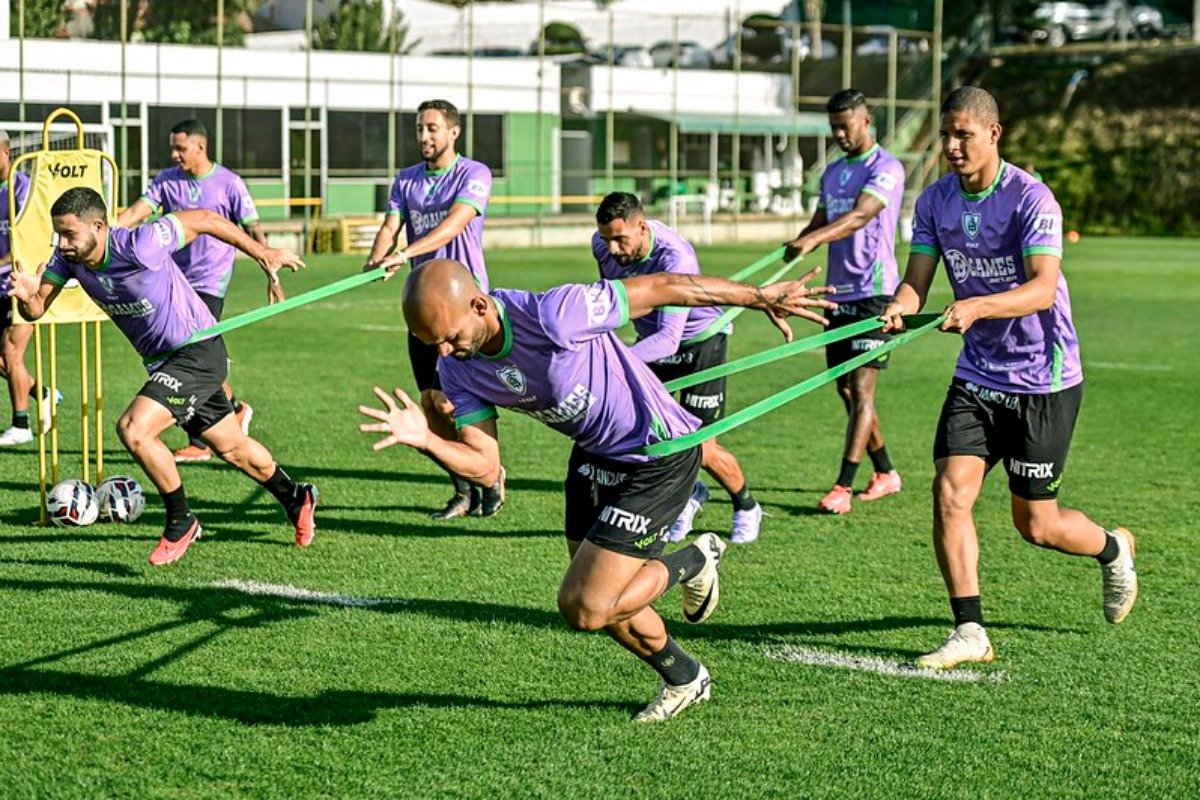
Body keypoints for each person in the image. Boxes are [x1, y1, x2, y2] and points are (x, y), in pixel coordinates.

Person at [358, 258, 835, 721]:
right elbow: (485, 468)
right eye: (430, 343)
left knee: (587, 607)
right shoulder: (460, 368)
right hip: (593, 453)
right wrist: (426, 439)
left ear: (480, 307)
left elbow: (665, 287)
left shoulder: (553, 314)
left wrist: (760, 297)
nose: (443, 352)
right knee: (606, 600)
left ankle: (694, 559)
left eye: (448, 337)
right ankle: (685, 677)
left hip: (658, 452)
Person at [880, 86, 1137, 669]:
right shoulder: (935, 201)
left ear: (994, 134)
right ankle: (970, 630)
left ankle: (1112, 547)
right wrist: (900, 304)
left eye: (963, 135)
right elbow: (917, 277)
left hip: (1042, 378)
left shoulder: (1031, 198)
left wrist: (975, 307)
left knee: (1037, 524)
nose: (950, 146)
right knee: (950, 493)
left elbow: (1043, 288)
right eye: (946, 134)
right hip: (977, 374)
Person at [10, 187, 318, 566]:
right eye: (59, 234)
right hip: (162, 362)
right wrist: (26, 297)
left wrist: (262, 252)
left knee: (134, 429)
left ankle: (181, 520)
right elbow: (38, 308)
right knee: (233, 447)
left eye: (70, 234)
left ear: (99, 226)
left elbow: (204, 219)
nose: (63, 243)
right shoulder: (68, 258)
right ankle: (296, 497)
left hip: (197, 349)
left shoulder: (141, 243)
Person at [592, 192, 764, 545]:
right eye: (607, 239)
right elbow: (613, 305)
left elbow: (669, 339)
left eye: (620, 240)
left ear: (642, 226)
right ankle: (691, 494)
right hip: (648, 345)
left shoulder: (675, 256)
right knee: (646, 433)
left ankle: (746, 505)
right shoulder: (601, 245)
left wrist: (616, 362)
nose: (612, 250)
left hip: (700, 342)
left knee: (700, 447)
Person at [364, 99, 505, 521]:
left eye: (432, 129)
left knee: (460, 403)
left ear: (453, 132)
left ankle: (490, 474)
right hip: (424, 312)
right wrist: (376, 259)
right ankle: (463, 488)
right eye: (419, 129)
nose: (424, 137)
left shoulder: (473, 173)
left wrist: (405, 252)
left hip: (466, 312)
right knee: (431, 401)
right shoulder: (406, 180)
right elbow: (390, 225)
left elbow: (455, 224)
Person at [117, 118, 270, 463]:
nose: (174, 154)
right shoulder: (167, 181)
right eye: (172, 147)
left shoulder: (229, 182)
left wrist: (269, 268)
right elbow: (135, 214)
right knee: (183, 357)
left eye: (180, 148)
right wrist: (103, 240)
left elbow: (252, 225)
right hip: (172, 283)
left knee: (184, 356)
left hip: (210, 283)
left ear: (201, 147)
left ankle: (201, 443)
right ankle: (233, 409)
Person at [784, 88, 906, 515]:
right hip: (837, 295)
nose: (839, 134)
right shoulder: (833, 172)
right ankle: (886, 472)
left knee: (861, 387)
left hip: (875, 294)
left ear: (866, 120)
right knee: (845, 390)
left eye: (845, 126)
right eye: (833, 127)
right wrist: (802, 238)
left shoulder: (887, 167)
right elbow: (823, 217)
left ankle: (843, 486)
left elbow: (860, 215)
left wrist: (815, 238)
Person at [0, 129, 55, 446]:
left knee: (11, 350)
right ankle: (41, 392)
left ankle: (20, 424)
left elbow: (25, 242)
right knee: (6, 357)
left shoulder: (23, 190)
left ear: (7, 152)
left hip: (19, 282)